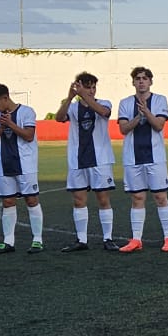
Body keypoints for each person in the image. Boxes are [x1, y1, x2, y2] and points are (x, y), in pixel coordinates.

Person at [55, 72, 117, 252]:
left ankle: (108, 239)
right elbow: (59, 118)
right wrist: (69, 98)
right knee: (78, 199)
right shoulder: (73, 108)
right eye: (87, 87)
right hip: (77, 159)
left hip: (100, 159)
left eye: (93, 87)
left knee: (103, 199)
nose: (91, 91)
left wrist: (83, 95)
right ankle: (81, 240)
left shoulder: (104, 103)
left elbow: (103, 113)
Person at [116, 66, 168, 253]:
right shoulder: (125, 103)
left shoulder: (160, 100)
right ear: (133, 82)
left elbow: (158, 125)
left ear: (151, 81)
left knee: (160, 196)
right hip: (132, 157)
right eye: (138, 78)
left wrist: (147, 113)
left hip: (155, 157)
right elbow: (124, 129)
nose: (141, 81)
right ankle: (136, 239)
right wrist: (138, 116)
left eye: (145, 78)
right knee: (137, 197)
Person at [0, 83, 44, 254]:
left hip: (26, 165)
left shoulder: (27, 112)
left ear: (5, 98)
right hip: (4, 164)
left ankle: (37, 240)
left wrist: (10, 124)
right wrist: (2, 127)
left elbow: (28, 136)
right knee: (8, 202)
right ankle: (8, 241)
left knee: (31, 200)